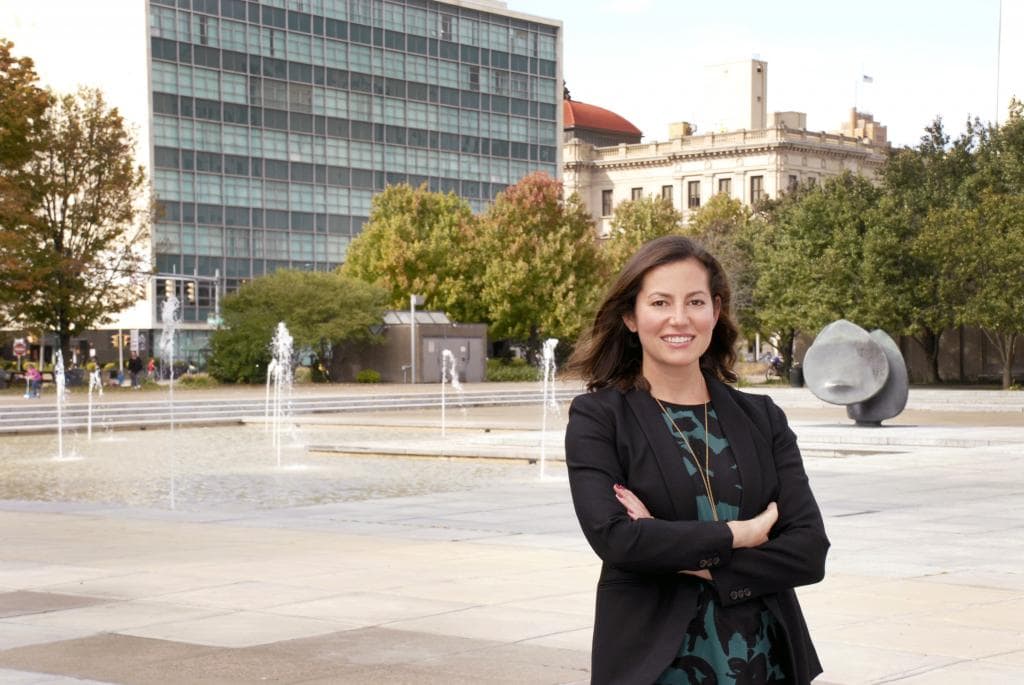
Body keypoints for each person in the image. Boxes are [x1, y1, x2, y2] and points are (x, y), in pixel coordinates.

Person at [564, 236, 829, 685]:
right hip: (653, 666)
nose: (679, 319)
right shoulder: (599, 417)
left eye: (695, 302)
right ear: (631, 316)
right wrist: (740, 535)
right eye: (660, 302)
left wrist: (685, 555)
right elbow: (617, 540)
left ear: (716, 311)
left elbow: (808, 552)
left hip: (765, 659)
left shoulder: (763, 417)